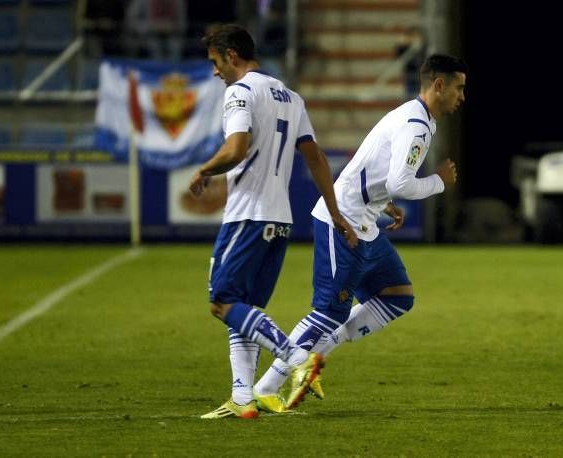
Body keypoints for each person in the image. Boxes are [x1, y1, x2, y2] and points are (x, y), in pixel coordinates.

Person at [254, 54, 467, 408]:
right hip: (344, 222)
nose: (462, 96)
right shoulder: (415, 123)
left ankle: (314, 359)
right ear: (439, 85)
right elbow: (401, 182)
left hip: (366, 221)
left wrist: (383, 203)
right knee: (327, 312)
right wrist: (439, 182)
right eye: (459, 87)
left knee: (398, 296)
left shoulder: (415, 118)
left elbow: (372, 165)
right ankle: (266, 387)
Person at [190, 23, 357, 420]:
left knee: (222, 302)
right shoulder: (291, 97)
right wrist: (335, 212)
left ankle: (297, 358)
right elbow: (315, 157)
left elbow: (236, 148)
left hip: (247, 216)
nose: (215, 72)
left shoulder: (240, 92)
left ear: (232, 55)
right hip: (280, 220)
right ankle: (243, 398)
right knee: (245, 310)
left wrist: (205, 170)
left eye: (216, 62)